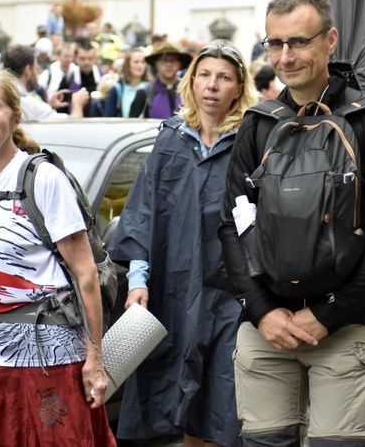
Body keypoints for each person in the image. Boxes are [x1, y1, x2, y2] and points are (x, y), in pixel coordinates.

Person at [219, 0, 365, 446]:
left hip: (346, 327)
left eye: (299, 41)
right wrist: (262, 310)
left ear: (330, 40)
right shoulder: (259, 122)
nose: (286, 56)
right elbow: (232, 222)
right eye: (275, 43)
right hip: (266, 329)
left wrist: (331, 312)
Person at [0, 68, 116, 446]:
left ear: (15, 115)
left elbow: (85, 275)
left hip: (47, 358)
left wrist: (95, 358)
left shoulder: (43, 178)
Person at [107, 41, 256, 446]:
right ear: (191, 82)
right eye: (204, 75)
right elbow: (143, 211)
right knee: (181, 403)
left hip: (230, 294)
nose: (212, 85)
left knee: (226, 401)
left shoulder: (252, 140)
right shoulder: (171, 138)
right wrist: (138, 280)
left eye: (223, 77)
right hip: (172, 291)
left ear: (238, 87)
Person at [2, 44, 88, 120]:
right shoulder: (28, 103)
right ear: (28, 70)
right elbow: (71, 125)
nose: (37, 75)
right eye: (36, 69)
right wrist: (77, 104)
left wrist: (48, 106)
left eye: (70, 56)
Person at [128, 43, 192, 119]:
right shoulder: (144, 93)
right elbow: (132, 124)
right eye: (164, 60)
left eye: (173, 60)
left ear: (180, 64)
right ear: (156, 64)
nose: (169, 64)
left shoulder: (188, 91)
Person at [103, 48, 150, 118]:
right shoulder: (117, 90)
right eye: (136, 62)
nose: (140, 66)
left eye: (143, 62)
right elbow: (108, 118)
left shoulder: (151, 88)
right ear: (127, 65)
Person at [38, 43, 78, 113]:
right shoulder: (49, 72)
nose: (68, 59)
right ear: (58, 56)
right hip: (52, 111)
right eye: (66, 56)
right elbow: (38, 90)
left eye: (71, 56)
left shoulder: (76, 71)